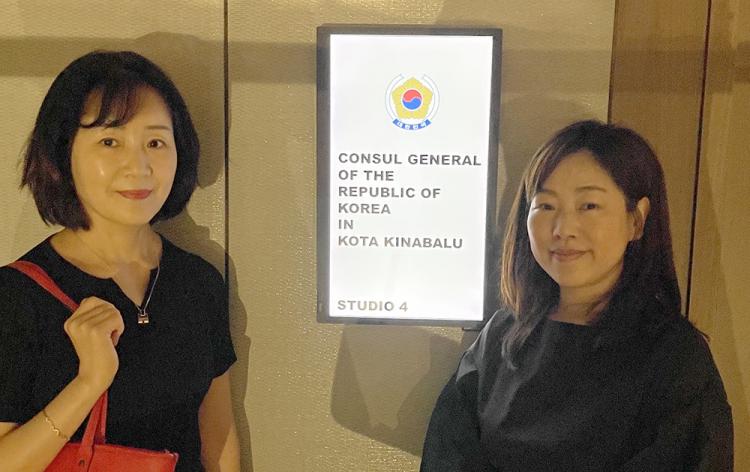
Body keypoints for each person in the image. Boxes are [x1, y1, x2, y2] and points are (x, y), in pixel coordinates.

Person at [420, 120, 733, 471]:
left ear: (636, 219)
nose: (564, 229)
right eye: (546, 205)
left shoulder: (674, 356)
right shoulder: (501, 335)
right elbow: (448, 455)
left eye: (589, 206)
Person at [0, 51, 240, 471]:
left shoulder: (198, 282)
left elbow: (217, 438)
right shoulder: (16, 296)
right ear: (63, 153)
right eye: (110, 142)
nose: (138, 166)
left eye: (155, 142)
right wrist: (89, 383)